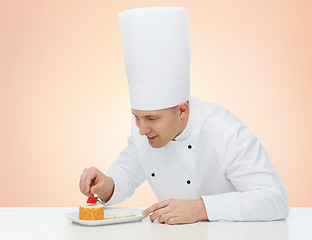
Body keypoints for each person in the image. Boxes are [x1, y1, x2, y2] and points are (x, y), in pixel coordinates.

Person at [79, 7, 289, 224]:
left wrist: (201, 209)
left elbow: (275, 199)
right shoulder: (144, 129)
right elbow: (127, 172)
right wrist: (108, 185)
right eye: (136, 117)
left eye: (151, 118)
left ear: (181, 110)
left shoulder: (225, 132)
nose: (141, 129)